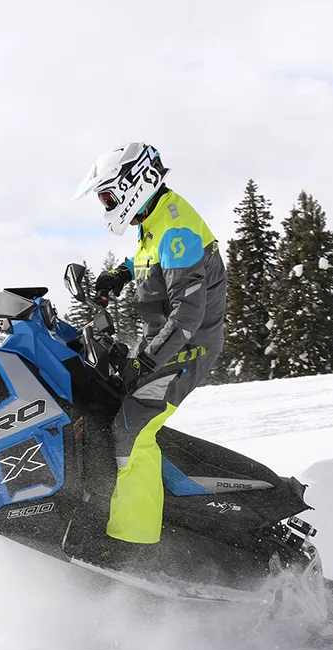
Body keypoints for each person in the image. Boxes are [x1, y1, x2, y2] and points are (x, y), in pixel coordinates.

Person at [70, 142, 226, 549]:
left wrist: (146, 359)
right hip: (165, 341)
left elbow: (187, 315)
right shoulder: (156, 218)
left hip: (188, 347)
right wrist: (117, 275)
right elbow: (153, 262)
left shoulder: (176, 227)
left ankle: (132, 547)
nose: (105, 205)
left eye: (107, 196)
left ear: (133, 184)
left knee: (131, 430)